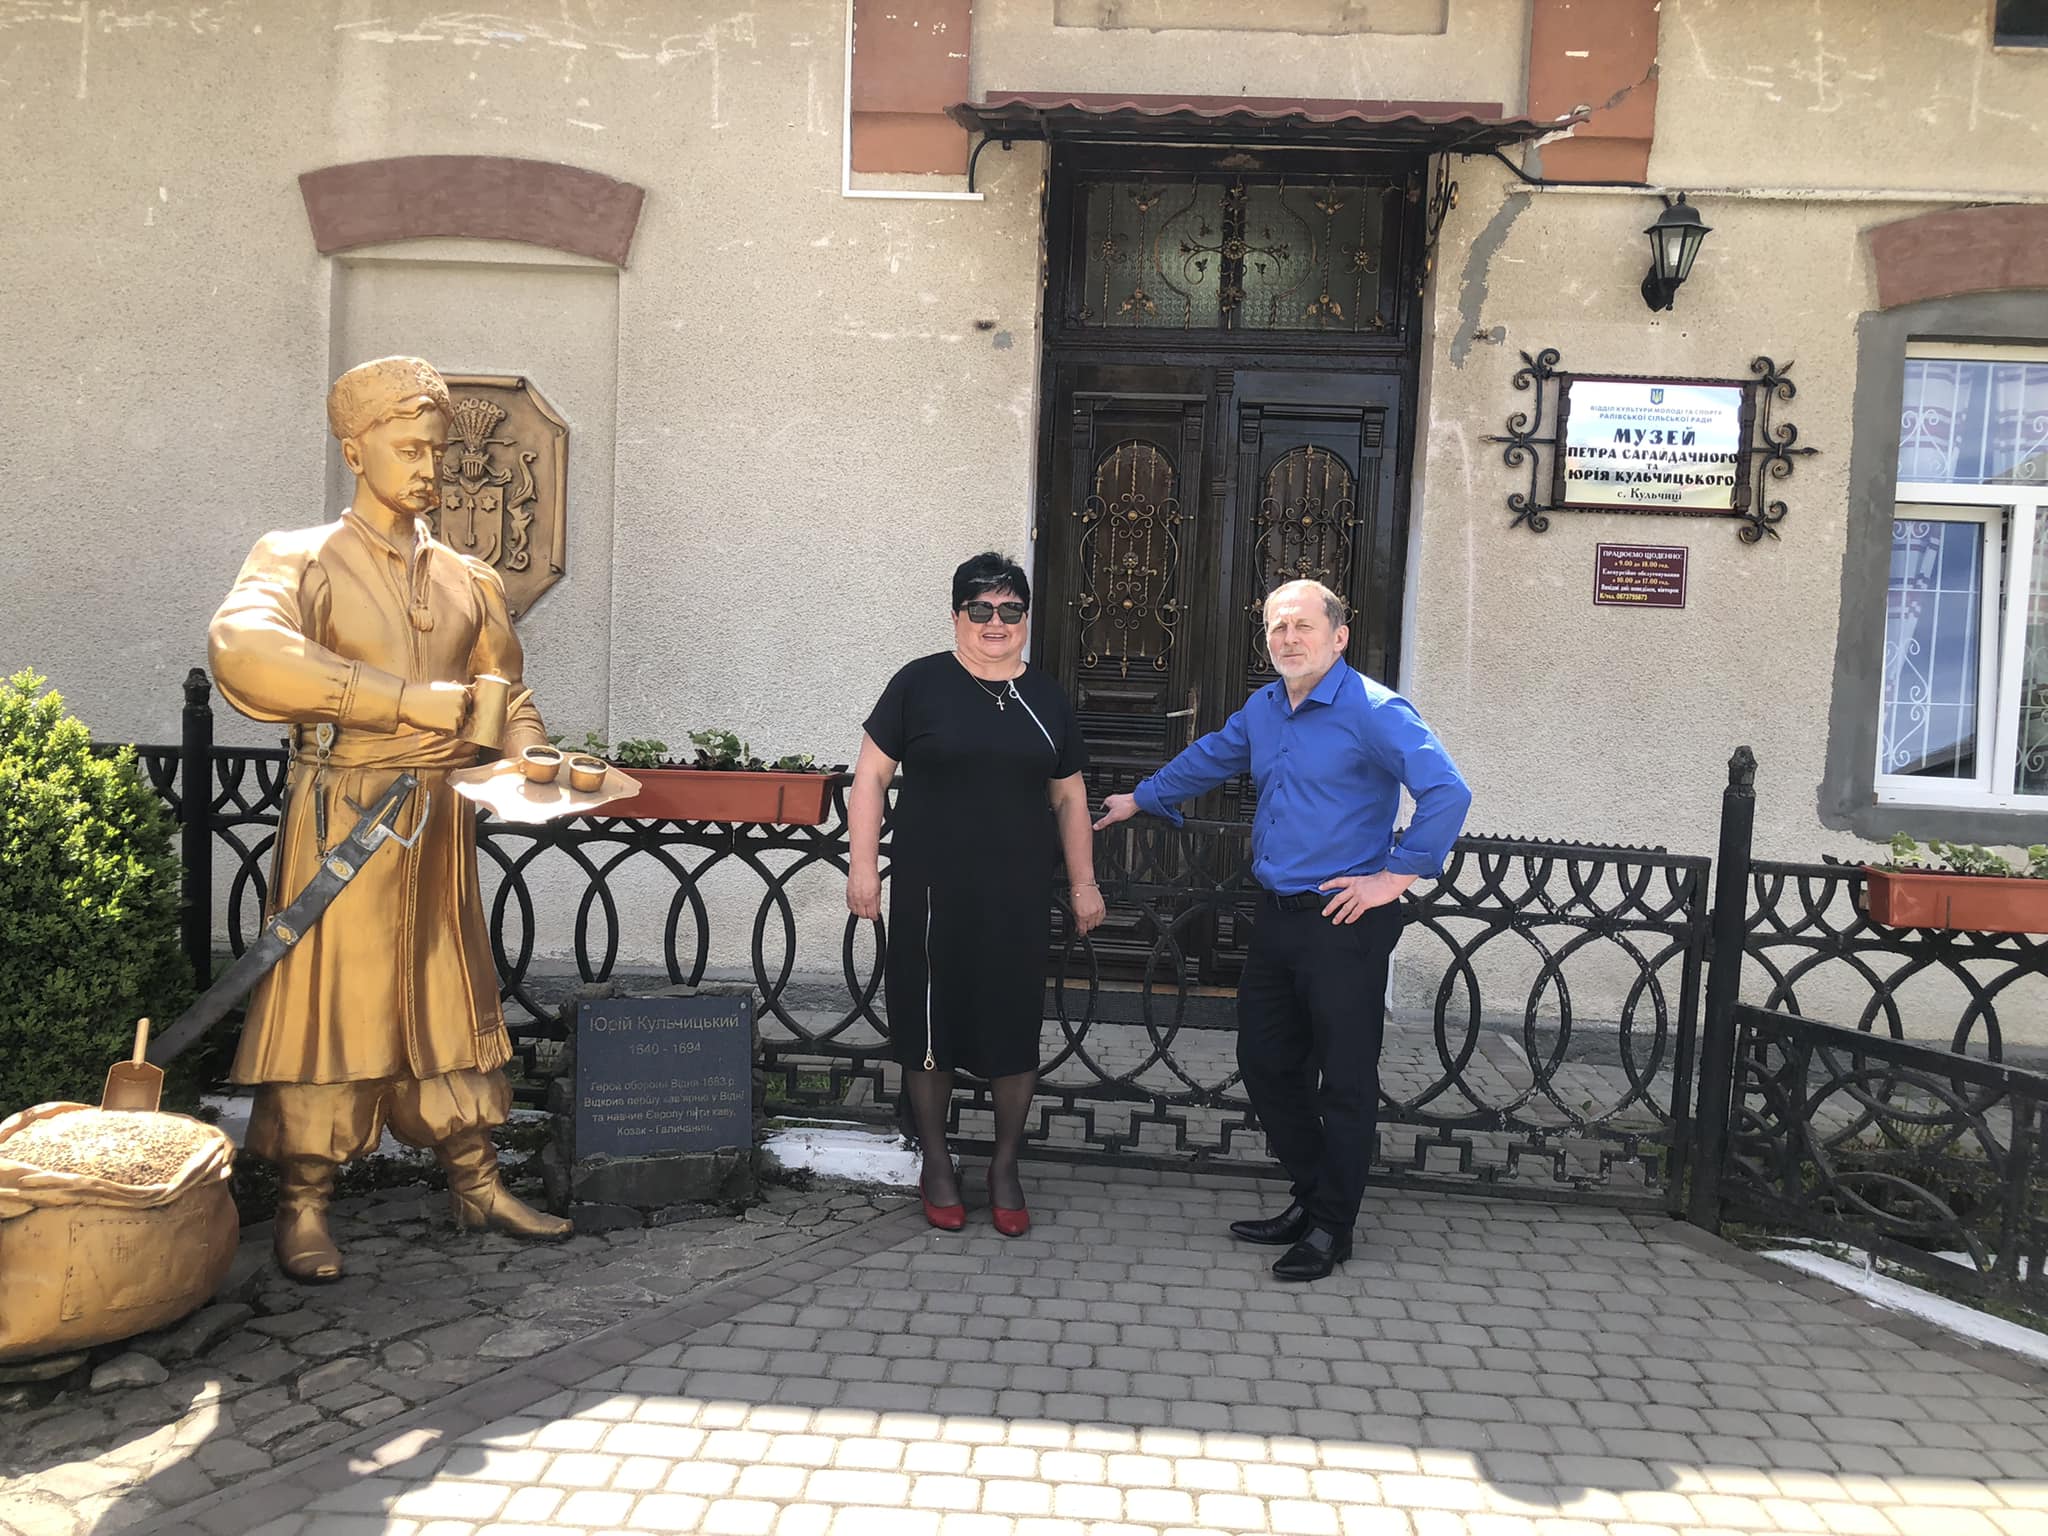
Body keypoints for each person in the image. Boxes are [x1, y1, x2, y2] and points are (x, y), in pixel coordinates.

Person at [208, 355, 571, 1283]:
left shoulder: (469, 577)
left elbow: (503, 691)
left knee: (448, 993)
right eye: (408, 448)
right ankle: (304, 1203)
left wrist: (532, 754)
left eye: (435, 451)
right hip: (344, 815)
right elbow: (243, 651)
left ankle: (476, 1180)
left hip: (440, 827)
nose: (427, 467)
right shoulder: (298, 556)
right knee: (332, 1003)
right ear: (354, 451)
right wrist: (404, 702)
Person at [1095, 579, 1471, 1281]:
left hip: (1344, 921)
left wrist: (1394, 876)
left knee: (1345, 1079)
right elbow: (1212, 755)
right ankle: (1313, 1195)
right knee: (1267, 1064)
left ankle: (1332, 1227)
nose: (1288, 638)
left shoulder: (1375, 710)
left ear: (1339, 636)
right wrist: (1142, 797)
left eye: (1303, 625)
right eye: (1276, 627)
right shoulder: (1265, 708)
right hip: (1276, 916)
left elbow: (1447, 790)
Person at [846, 552, 1104, 1235]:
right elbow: (870, 778)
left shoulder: (1046, 697)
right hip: (932, 891)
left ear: (1025, 618)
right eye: (980, 608)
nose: (996, 622)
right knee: (930, 1022)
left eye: (1010, 609)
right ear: (957, 615)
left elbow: (1070, 797)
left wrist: (1084, 882)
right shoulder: (919, 684)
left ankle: (1004, 1166)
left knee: (1012, 1023)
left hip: (1017, 894)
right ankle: (937, 1163)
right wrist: (862, 866)